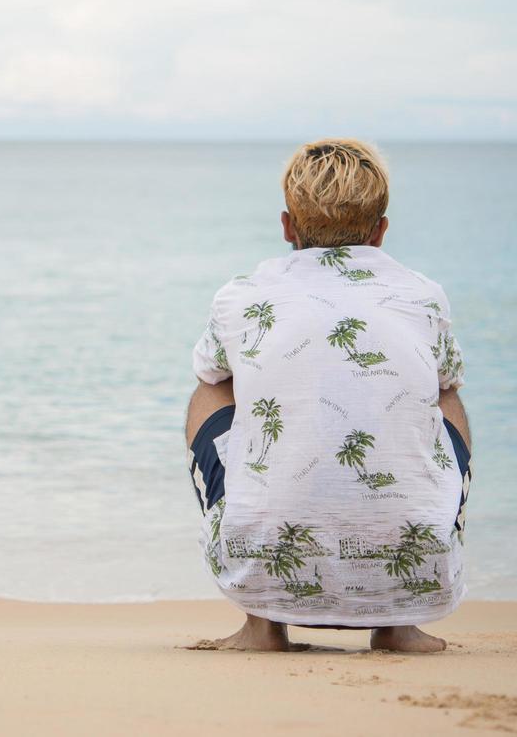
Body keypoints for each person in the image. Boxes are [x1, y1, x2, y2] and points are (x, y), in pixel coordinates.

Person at [184, 138, 472, 654]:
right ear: (381, 231)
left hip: (265, 566)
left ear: (287, 226)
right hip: (416, 565)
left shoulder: (241, 293)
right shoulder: (422, 293)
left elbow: (209, 369)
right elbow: (448, 378)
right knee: (446, 394)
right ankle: (400, 623)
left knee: (211, 387)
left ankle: (262, 624)